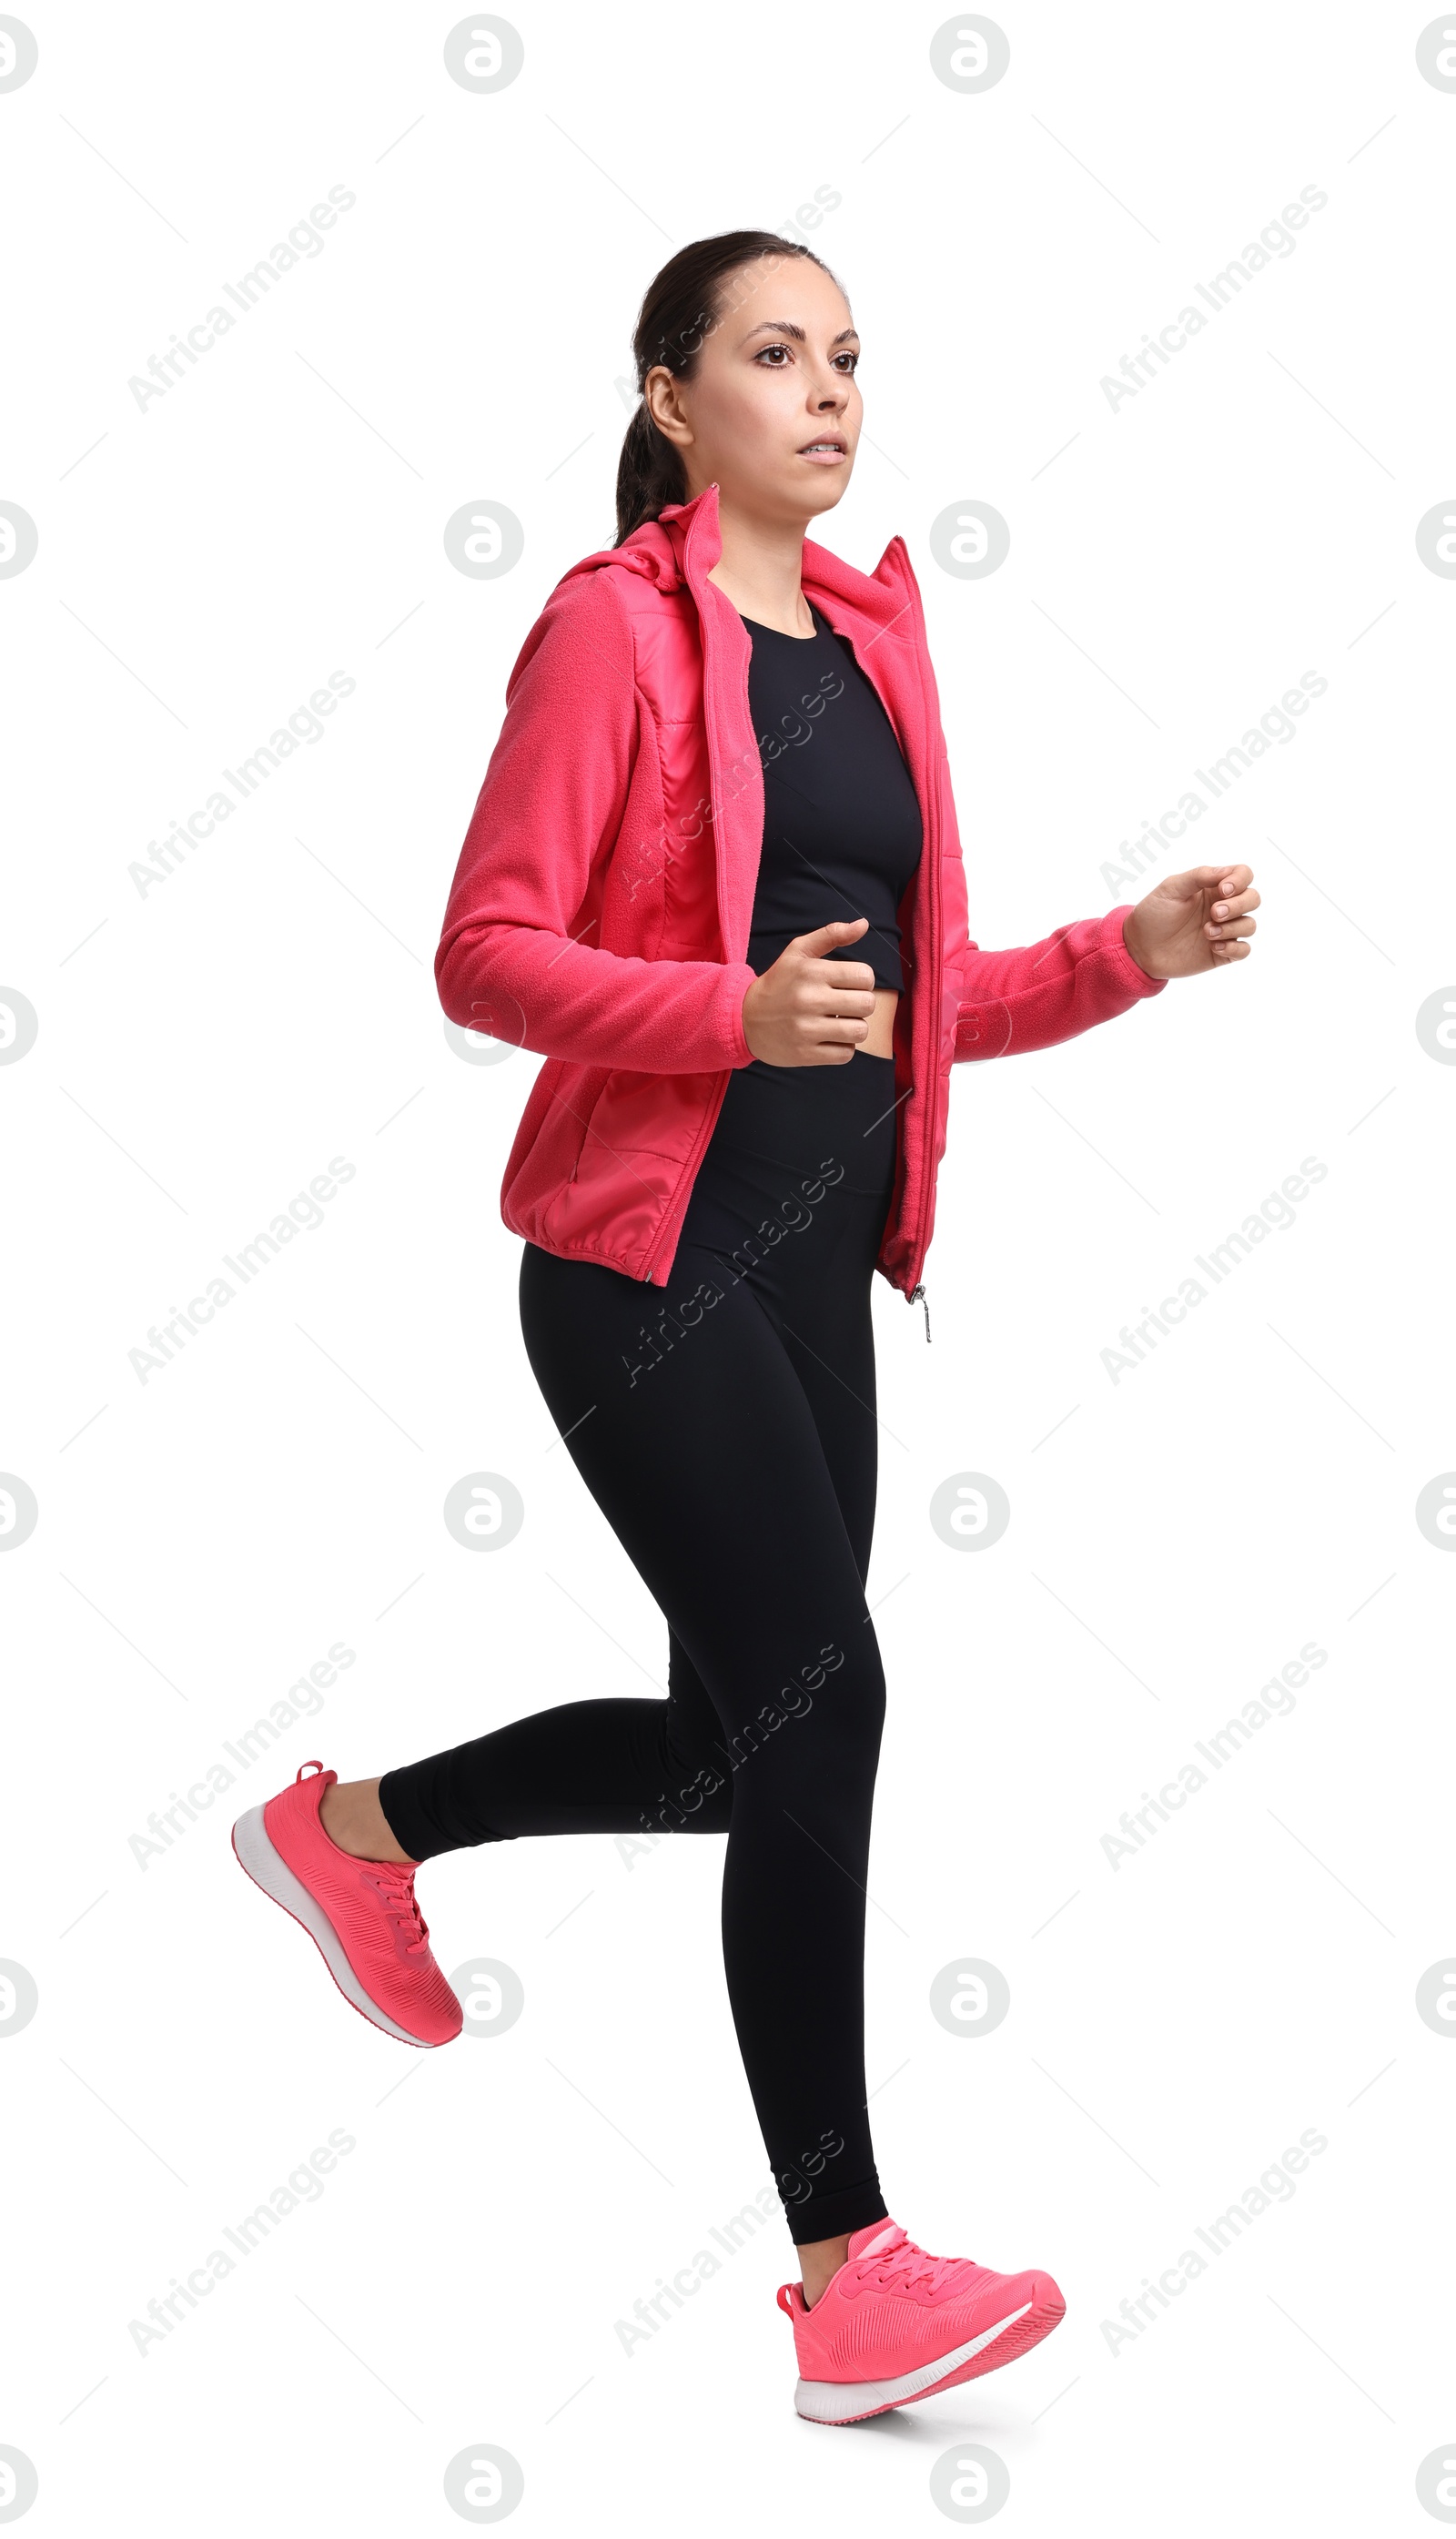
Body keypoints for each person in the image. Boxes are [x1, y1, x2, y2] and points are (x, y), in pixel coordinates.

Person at [233, 230, 1259, 2424]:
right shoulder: (612, 630)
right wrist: (726, 1010)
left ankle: (355, 1835)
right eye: (772, 354)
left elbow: (911, 1000)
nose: (824, 390)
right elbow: (482, 954)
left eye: (848, 357)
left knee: (741, 1751)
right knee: (829, 1686)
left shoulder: (877, 647)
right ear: (671, 395)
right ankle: (843, 2270)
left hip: (815, 1283)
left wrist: (1127, 953)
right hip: (637, 1259)